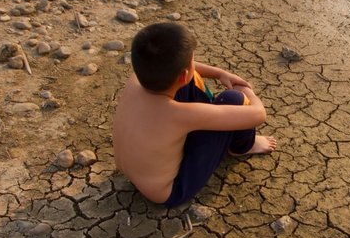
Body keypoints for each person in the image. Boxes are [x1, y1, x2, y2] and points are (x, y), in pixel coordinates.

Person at [113, 22, 277, 207]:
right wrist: (247, 91)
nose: (194, 63)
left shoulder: (137, 79)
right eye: (193, 60)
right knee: (234, 98)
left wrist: (220, 74)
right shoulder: (179, 115)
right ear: (183, 73)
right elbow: (258, 114)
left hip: (133, 172)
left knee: (186, 80)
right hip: (170, 191)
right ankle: (243, 146)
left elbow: (181, 70)